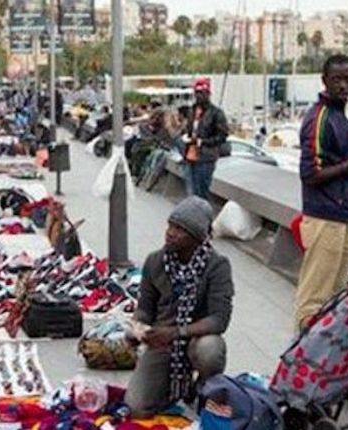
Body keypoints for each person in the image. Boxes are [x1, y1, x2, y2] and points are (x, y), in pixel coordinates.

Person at [293, 54, 348, 329]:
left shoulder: (337, 115)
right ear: (324, 80)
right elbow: (311, 174)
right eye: (337, 79)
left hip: (341, 215)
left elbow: (335, 160)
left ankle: (321, 353)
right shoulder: (320, 117)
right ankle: (301, 352)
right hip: (325, 217)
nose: (344, 85)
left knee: (333, 298)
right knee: (313, 302)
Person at [125, 197, 233, 416]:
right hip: (163, 344)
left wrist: (175, 332)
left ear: (197, 237)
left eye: (180, 229)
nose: (171, 233)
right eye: (170, 226)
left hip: (196, 339)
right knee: (137, 406)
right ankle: (172, 390)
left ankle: (204, 386)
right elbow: (145, 307)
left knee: (210, 350)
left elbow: (219, 320)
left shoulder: (216, 265)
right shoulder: (155, 261)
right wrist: (138, 327)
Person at [183, 78, 228, 200]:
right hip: (189, 156)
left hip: (206, 157)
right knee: (190, 191)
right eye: (196, 93)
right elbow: (189, 129)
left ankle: (203, 211)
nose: (198, 96)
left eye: (202, 93)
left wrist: (202, 142)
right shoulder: (192, 111)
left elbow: (222, 136)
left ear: (208, 94)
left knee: (202, 190)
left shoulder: (216, 113)